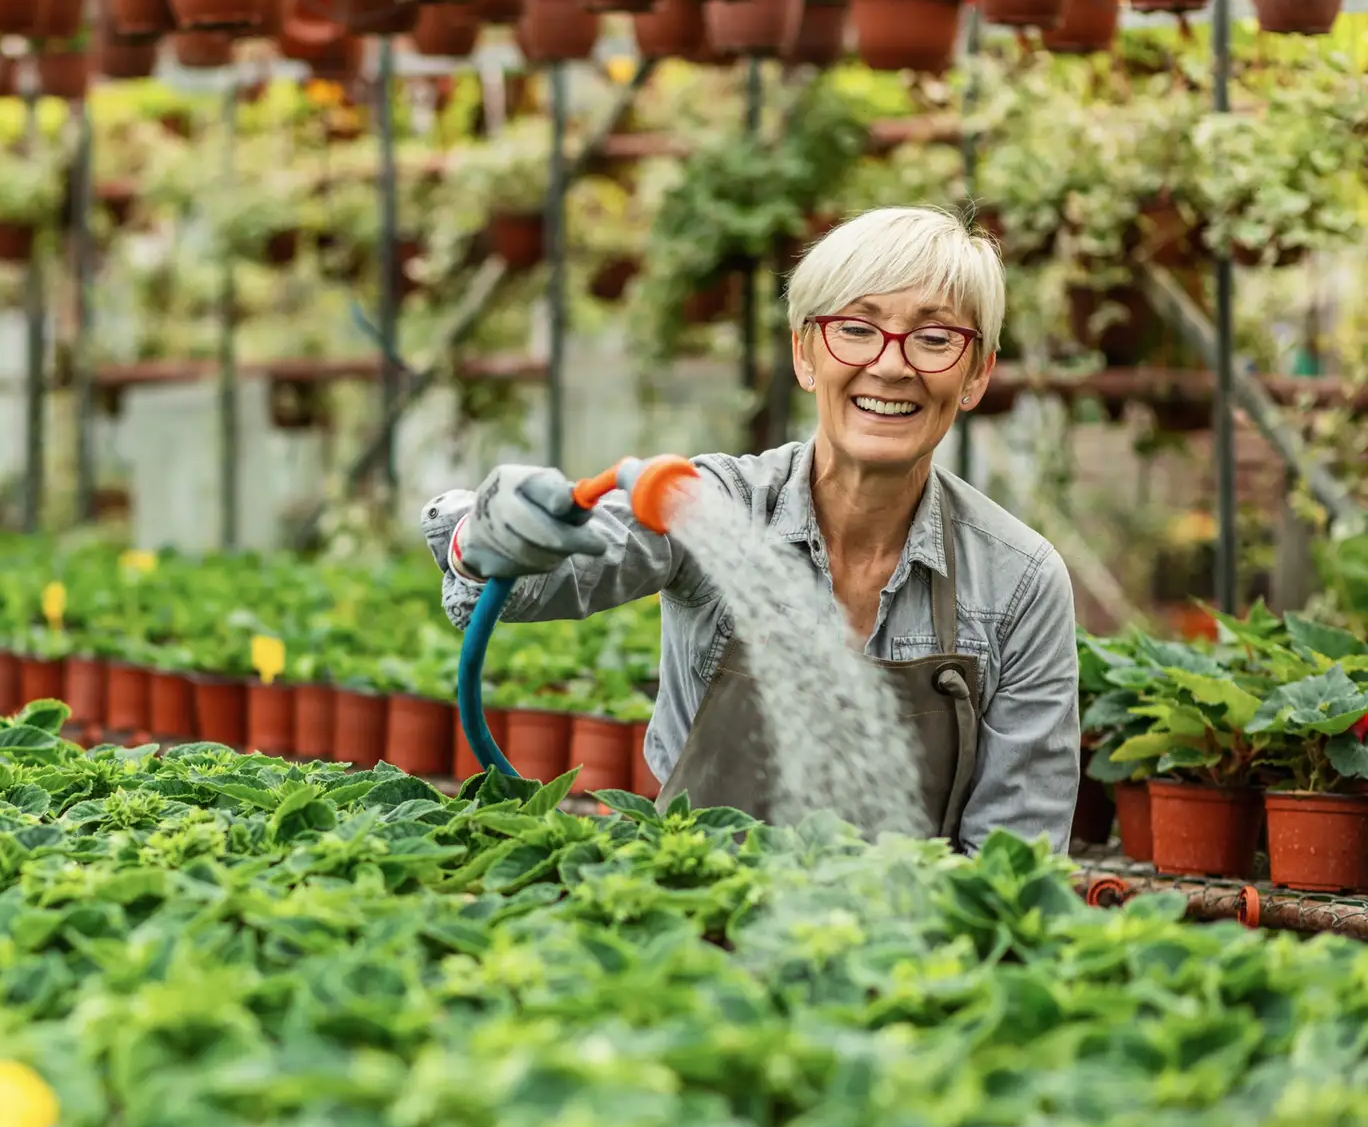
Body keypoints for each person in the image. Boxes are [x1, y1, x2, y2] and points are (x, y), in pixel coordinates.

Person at [419, 206, 1080, 852]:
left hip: (906, 945)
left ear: (976, 375)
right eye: (856, 328)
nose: (891, 364)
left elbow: (1015, 863)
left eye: (935, 339)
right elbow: (535, 582)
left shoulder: (1018, 580)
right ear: (804, 353)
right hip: (694, 914)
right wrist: (484, 539)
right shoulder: (713, 505)